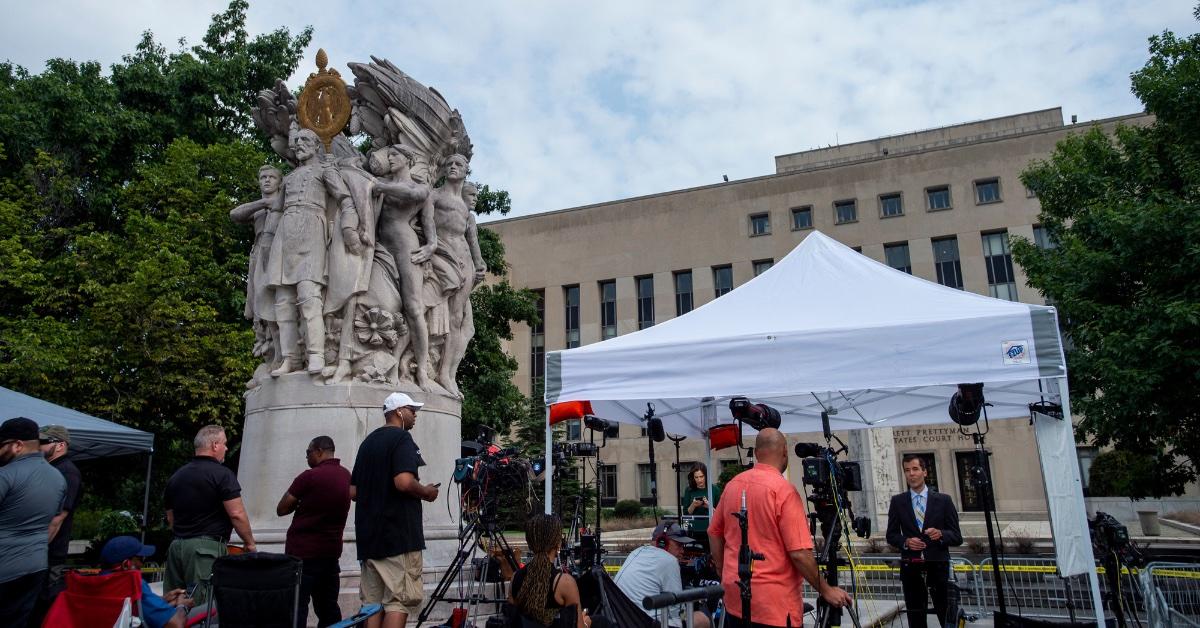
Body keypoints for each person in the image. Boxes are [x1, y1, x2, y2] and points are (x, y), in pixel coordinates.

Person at [709, 428, 852, 628]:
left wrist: (724, 569)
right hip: (774, 605)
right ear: (784, 451)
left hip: (735, 598)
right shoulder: (784, 491)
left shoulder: (733, 484)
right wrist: (827, 590)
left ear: (757, 453)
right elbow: (799, 554)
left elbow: (714, 532)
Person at [351, 392, 440, 628]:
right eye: (412, 411)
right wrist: (426, 492)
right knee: (398, 601)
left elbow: (353, 492)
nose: (415, 416)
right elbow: (403, 482)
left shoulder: (367, 443)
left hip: (370, 537)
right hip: (398, 536)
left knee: (372, 603)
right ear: (398, 412)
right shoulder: (402, 439)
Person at [163, 425, 257, 605]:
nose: (227, 448)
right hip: (205, 549)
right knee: (202, 605)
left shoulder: (176, 477)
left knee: (173, 602)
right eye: (224, 444)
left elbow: (170, 519)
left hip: (176, 547)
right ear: (215, 445)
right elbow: (236, 513)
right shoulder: (222, 474)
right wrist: (249, 543)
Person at [277, 435, 352, 627]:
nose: (307, 457)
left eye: (308, 452)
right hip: (330, 553)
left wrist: (302, 502)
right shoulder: (346, 476)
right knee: (328, 608)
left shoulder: (309, 477)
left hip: (303, 553)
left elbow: (282, 508)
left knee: (297, 608)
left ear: (319, 451)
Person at [0, 417, 67, 628]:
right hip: (36, 566)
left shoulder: (5, 475)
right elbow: (52, 523)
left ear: (17, 445)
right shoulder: (58, 478)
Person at [886, 454, 962, 628]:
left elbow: (957, 536)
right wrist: (906, 541)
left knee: (946, 615)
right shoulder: (898, 502)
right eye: (907, 470)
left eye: (915, 469)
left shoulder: (944, 500)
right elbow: (891, 535)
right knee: (916, 617)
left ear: (925, 472)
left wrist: (941, 534)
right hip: (911, 567)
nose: (911, 474)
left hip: (938, 566)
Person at [31, 424, 84, 623]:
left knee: (40, 606)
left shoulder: (67, 472)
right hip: (39, 552)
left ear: (60, 445)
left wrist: (37, 550)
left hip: (48, 554)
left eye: (44, 442)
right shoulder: (49, 468)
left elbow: (57, 518)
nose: (38, 446)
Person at [614, 521, 710, 628]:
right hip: (648, 622)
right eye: (679, 545)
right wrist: (685, 617)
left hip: (622, 620)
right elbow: (675, 610)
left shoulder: (636, 552)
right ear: (662, 542)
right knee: (702, 619)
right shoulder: (669, 560)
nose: (683, 550)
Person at [509, 514, 589, 628]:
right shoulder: (565, 582)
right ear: (558, 544)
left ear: (530, 543)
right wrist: (586, 623)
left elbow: (512, 620)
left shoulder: (515, 577)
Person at [97, 536, 195, 628]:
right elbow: (176, 624)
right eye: (140, 559)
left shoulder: (97, 585)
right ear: (126, 565)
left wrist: (163, 600)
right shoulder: (134, 584)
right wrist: (182, 606)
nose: (142, 564)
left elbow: (139, 608)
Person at [680, 462, 721, 546]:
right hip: (693, 530)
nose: (699, 480)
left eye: (701, 476)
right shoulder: (689, 490)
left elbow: (720, 514)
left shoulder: (714, 489)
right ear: (693, 477)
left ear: (706, 476)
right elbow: (686, 514)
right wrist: (693, 505)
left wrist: (708, 506)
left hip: (710, 529)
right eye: (696, 477)